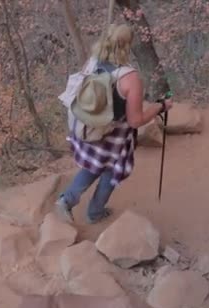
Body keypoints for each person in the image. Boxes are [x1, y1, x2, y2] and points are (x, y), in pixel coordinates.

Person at [55, 24, 173, 224]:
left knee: (93, 167)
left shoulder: (92, 62)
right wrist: (160, 107)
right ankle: (95, 212)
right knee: (111, 170)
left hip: (89, 128)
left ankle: (66, 201)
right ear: (127, 46)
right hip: (113, 137)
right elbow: (135, 120)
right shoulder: (130, 78)